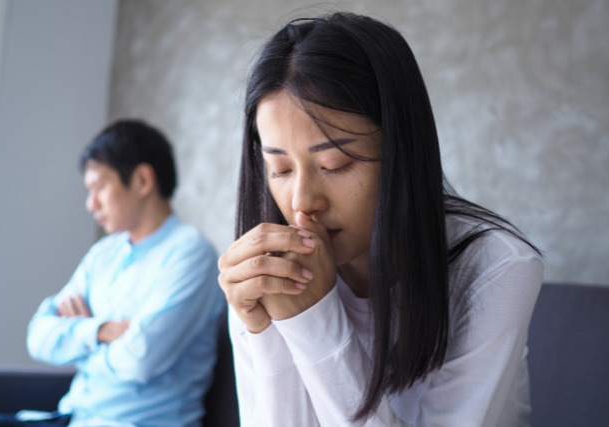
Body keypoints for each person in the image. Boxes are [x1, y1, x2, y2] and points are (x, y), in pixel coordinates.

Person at [218, 12, 543, 427]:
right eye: (280, 170)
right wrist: (268, 332)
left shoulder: (494, 269)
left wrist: (313, 318)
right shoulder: (261, 270)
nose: (302, 203)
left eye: (335, 164)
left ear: (401, 153)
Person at [19, 120, 224, 426]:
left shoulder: (190, 253)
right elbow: (38, 337)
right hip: (71, 417)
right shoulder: (104, 254)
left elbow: (140, 360)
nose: (91, 204)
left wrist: (78, 344)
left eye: (99, 188)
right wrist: (100, 331)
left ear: (142, 180)